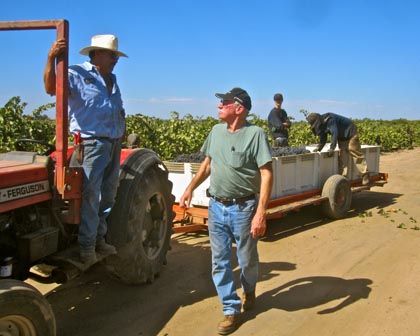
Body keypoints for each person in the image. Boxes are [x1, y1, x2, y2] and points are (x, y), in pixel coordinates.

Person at [179, 87, 273, 335]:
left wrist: (260, 212)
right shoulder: (215, 131)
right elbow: (208, 163)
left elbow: (266, 173)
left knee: (246, 259)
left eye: (225, 102)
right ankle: (231, 309)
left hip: (243, 209)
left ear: (239, 108)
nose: (219, 105)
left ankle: (249, 288)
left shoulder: (256, 135)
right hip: (217, 206)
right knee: (219, 261)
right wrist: (190, 187)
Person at [44, 34, 127, 266]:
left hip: (113, 142)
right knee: (91, 196)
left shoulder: (112, 79)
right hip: (91, 144)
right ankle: (87, 247)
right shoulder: (76, 74)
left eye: (116, 55)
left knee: (108, 195)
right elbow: (51, 88)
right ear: (97, 53)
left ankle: (99, 239)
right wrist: (51, 59)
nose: (115, 59)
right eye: (112, 55)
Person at [306, 112, 370, 185]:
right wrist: (318, 149)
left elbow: (334, 133)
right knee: (342, 156)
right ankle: (343, 178)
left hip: (350, 132)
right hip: (342, 136)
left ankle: (365, 175)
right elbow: (323, 138)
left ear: (317, 121)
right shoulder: (321, 125)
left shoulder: (329, 119)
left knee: (353, 150)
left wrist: (332, 148)